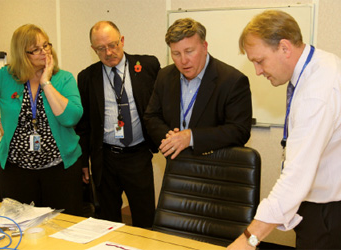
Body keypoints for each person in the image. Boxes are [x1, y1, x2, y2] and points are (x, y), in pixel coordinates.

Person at [227, 10, 341, 250]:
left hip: (327, 211)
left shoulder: (316, 93)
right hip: (319, 202)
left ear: (285, 48)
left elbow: (296, 176)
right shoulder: (320, 64)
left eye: (260, 61)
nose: (257, 71)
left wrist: (248, 239)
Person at [0, 24, 83, 215]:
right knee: (20, 228)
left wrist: (46, 82)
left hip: (60, 170)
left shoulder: (63, 79)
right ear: (22, 54)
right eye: (36, 49)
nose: (44, 52)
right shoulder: (5, 77)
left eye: (46, 45)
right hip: (16, 171)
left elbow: (71, 118)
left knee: (63, 229)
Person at [75, 21, 160, 228]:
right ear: (93, 49)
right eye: (101, 48)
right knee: (107, 219)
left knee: (145, 217)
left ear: (122, 41)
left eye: (113, 45)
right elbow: (84, 124)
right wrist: (83, 161)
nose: (109, 52)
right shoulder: (87, 77)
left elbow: (161, 107)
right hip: (105, 159)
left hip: (138, 155)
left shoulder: (148, 66)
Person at [144, 18, 252, 159]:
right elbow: (151, 116)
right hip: (175, 164)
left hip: (214, 168)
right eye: (176, 54)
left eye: (189, 51)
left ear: (205, 47)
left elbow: (239, 130)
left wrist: (191, 137)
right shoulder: (164, 76)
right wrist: (171, 139)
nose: (183, 61)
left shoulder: (233, 80)